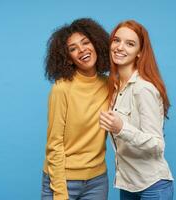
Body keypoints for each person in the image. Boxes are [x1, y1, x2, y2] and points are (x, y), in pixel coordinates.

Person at [99, 20, 174, 200]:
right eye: (116, 40)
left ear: (140, 52)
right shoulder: (115, 88)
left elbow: (157, 145)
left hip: (153, 187)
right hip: (128, 185)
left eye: (130, 43)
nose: (119, 47)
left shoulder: (143, 88)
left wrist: (121, 128)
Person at [42, 18, 110, 200]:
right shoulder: (62, 88)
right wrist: (60, 192)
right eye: (73, 48)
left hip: (97, 182)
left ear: (96, 44)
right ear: (68, 58)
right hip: (63, 180)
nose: (82, 50)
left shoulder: (109, 85)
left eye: (86, 42)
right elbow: (54, 144)